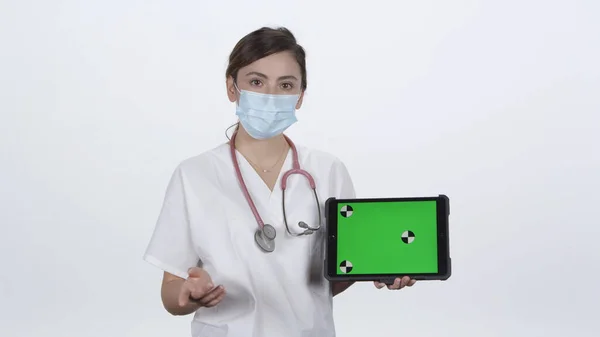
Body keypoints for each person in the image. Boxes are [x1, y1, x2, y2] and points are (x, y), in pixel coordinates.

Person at [143, 26, 416, 337]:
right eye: (256, 81)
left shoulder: (327, 170)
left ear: (299, 96)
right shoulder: (194, 174)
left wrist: (383, 270)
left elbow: (337, 275)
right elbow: (171, 289)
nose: (270, 96)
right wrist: (188, 296)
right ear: (232, 88)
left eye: (286, 85)